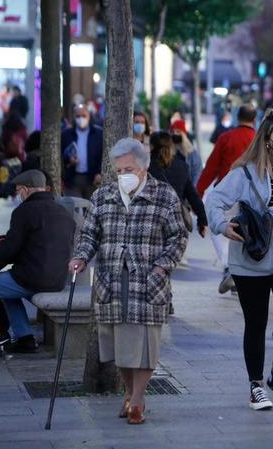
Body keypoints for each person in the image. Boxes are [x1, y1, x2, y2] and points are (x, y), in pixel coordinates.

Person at [69, 138, 188, 424]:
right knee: (119, 346)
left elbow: (179, 236)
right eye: (119, 170)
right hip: (111, 279)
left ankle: (137, 400)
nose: (123, 175)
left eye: (129, 169)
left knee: (145, 345)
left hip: (148, 280)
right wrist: (81, 257)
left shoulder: (165, 195)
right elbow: (90, 234)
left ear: (144, 167)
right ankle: (128, 392)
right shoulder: (103, 195)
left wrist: (162, 266)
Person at [206, 110, 273, 410]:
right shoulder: (245, 172)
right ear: (266, 141)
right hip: (250, 257)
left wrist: (268, 218)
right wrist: (221, 225)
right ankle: (255, 385)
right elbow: (216, 199)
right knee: (255, 322)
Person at [0, 170, 75, 357]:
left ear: (25, 190)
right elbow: (23, 243)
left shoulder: (24, 211)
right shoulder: (61, 211)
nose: (18, 195)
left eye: (18, 191)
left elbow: (10, 248)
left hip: (32, 278)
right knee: (4, 288)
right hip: (57, 279)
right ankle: (25, 339)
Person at [198, 104, 257, 294]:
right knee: (244, 234)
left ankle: (228, 266)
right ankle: (239, 271)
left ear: (236, 117)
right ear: (254, 119)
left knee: (219, 229)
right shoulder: (258, 140)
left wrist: (198, 192)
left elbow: (211, 168)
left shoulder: (226, 138)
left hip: (226, 194)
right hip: (251, 196)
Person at [148, 132, 208, 239]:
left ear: (151, 146)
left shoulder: (145, 166)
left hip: (151, 220)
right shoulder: (181, 166)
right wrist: (202, 220)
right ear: (171, 146)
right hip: (176, 220)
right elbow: (192, 195)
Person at [62, 105, 103, 199]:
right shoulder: (66, 134)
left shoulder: (98, 133)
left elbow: (102, 155)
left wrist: (100, 172)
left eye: (84, 116)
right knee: (74, 208)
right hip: (73, 178)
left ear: (89, 116)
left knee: (91, 207)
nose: (81, 119)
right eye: (78, 116)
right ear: (74, 117)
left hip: (92, 178)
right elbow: (62, 154)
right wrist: (69, 160)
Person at [170, 119, 202, 186]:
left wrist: (192, 192)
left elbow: (196, 174)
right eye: (173, 132)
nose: (175, 134)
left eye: (178, 132)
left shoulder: (192, 154)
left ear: (183, 134)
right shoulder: (168, 152)